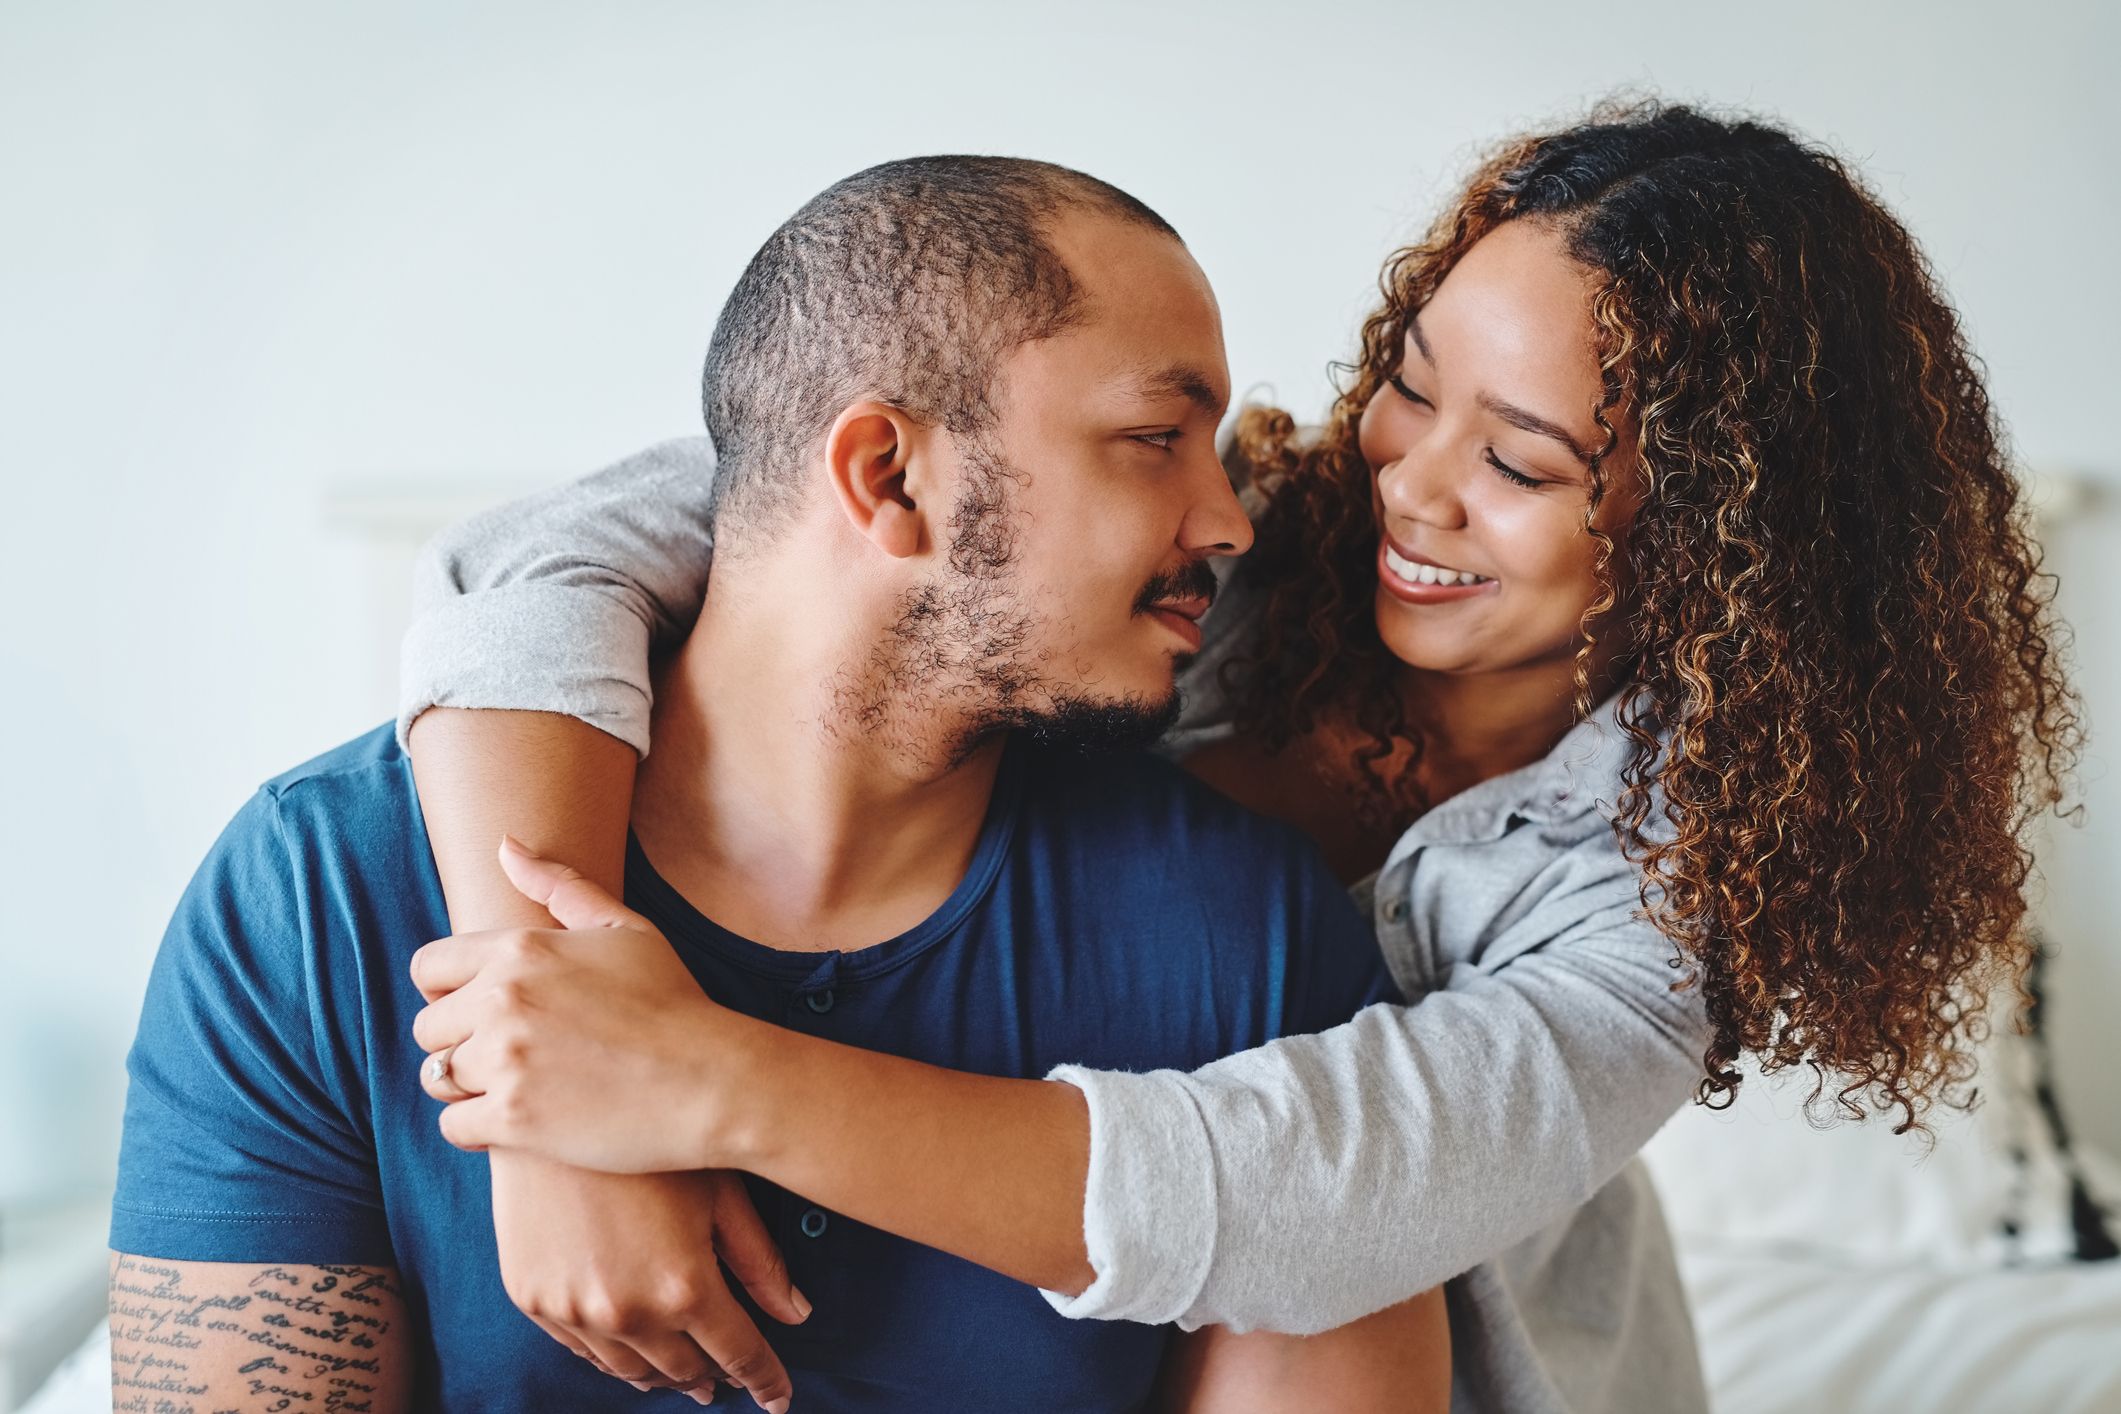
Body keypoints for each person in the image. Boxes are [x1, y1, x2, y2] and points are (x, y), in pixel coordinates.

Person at [402, 102, 2076, 1414]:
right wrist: (541, 1063)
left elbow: (1296, 1204)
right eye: (1412, 389)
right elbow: (568, 553)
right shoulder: (1220, 548)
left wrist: (696, 1084)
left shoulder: (1662, 919)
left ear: (1721, 548)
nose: (1413, 483)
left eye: (1516, 460)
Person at [108, 157, 1450, 1413]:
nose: (1223, 520)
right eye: (1155, 437)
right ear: (888, 476)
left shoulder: (1248, 936)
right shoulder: (317, 896)